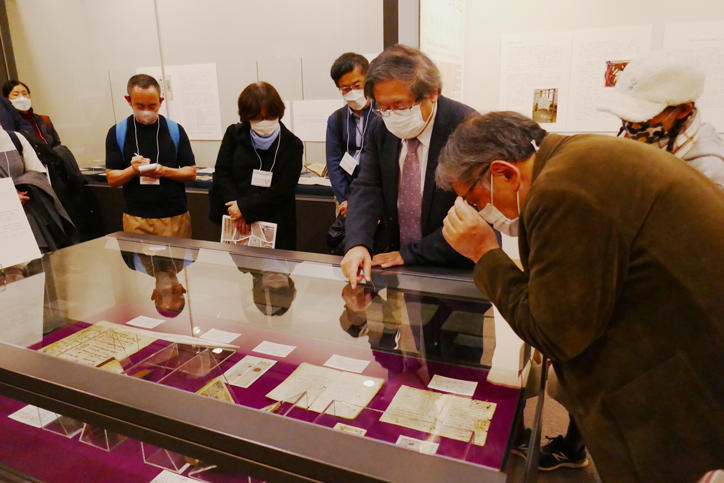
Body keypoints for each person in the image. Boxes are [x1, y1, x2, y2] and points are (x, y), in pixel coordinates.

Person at [437, 111, 724, 482]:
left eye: (476, 201)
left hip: (677, 397)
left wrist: (484, 253)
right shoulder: (577, 158)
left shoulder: (560, 192)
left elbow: (554, 333)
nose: (483, 214)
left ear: (504, 172)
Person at [341, 44, 476, 287]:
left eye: (400, 105)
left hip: (456, 267)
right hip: (398, 267)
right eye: (383, 107)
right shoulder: (381, 127)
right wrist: (357, 244)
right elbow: (367, 186)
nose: (392, 114)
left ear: (432, 93)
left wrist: (411, 254)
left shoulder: (466, 128)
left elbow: (474, 214)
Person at [598, 51, 724, 189]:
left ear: (684, 110)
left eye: (642, 117)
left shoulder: (709, 173)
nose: (630, 123)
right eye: (624, 113)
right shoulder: (647, 140)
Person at [209, 82, 303, 250]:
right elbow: (222, 173)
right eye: (258, 118)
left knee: (276, 267)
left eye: (270, 116)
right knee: (237, 264)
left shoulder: (292, 144)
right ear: (247, 116)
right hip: (235, 219)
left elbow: (283, 189)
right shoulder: (234, 134)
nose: (264, 122)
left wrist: (245, 209)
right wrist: (237, 209)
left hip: (275, 223)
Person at [105, 74, 196, 238]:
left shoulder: (175, 130)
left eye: (152, 105)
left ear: (161, 101)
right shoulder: (118, 132)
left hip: (174, 216)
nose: (146, 111)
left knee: (178, 255)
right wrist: (133, 170)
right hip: (136, 218)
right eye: (140, 106)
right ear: (128, 100)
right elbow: (112, 178)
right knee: (136, 256)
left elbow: (191, 172)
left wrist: (165, 171)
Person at [0, 129, 75, 251]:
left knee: (38, 257)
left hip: (28, 214)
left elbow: (37, 173)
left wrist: (22, 187)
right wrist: (9, 197)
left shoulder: (15, 138)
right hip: (4, 218)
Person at [325, 52, 375, 216]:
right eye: (345, 88)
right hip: (345, 198)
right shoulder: (336, 119)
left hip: (375, 198)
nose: (352, 92)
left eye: (357, 85)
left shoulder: (382, 114)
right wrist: (345, 199)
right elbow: (333, 161)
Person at [2, 80, 61, 147]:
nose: (22, 98)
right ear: (6, 99)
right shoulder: (7, 124)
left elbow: (56, 144)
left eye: (25, 94)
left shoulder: (44, 119)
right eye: (16, 95)